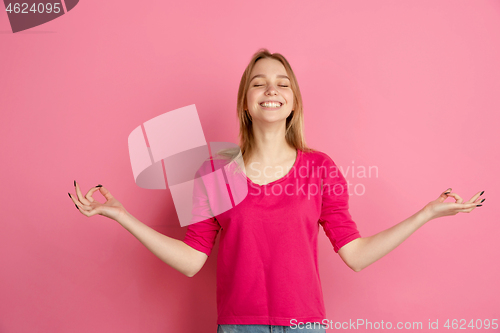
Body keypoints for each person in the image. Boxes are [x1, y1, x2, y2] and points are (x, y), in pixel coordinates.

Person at [68, 49, 485, 333]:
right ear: (246, 102)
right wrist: (121, 215)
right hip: (237, 325)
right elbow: (192, 260)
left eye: (282, 83)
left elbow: (356, 255)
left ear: (293, 102)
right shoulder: (213, 172)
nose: (271, 89)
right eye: (259, 83)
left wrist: (426, 214)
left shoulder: (320, 168)